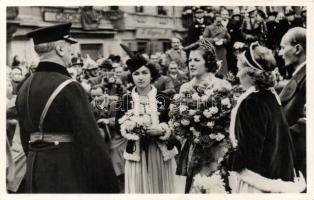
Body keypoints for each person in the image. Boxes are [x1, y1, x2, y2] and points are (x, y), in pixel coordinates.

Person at [15, 22, 119, 193]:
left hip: (35, 168)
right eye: (70, 47)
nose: (72, 52)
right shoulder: (70, 86)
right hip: (66, 171)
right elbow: (90, 142)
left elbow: (25, 136)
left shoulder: (24, 86)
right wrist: (108, 187)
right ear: (60, 49)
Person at [226, 42, 305, 193]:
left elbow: (248, 154)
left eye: (239, 69)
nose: (237, 75)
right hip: (277, 178)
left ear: (250, 73)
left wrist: (228, 161)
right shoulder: (270, 96)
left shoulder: (251, 103)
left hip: (258, 183)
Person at [116, 52, 178, 193]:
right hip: (137, 152)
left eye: (145, 73)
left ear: (152, 75)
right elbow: (118, 125)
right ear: (131, 77)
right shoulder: (125, 100)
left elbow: (174, 124)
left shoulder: (164, 98)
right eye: (136, 74)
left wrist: (162, 130)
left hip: (160, 152)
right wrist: (131, 127)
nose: (141, 77)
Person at [177, 38, 231, 193]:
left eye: (196, 60)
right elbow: (181, 119)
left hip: (218, 147)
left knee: (218, 185)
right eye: (189, 60)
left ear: (208, 62)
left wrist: (217, 134)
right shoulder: (186, 88)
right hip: (195, 147)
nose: (191, 64)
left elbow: (230, 120)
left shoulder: (223, 86)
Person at [278, 27, 306, 180]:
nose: (280, 53)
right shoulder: (301, 74)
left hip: (301, 162)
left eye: (283, 47)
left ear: (297, 49)